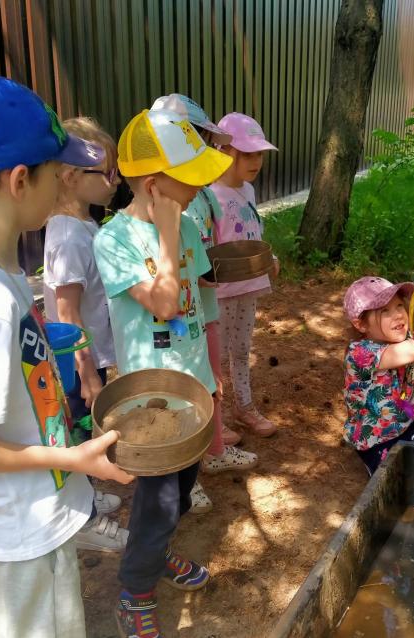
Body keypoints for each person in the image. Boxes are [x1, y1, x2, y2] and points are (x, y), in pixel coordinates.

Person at [0, 72, 132, 638]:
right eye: (55, 171)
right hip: (14, 529)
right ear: (19, 180)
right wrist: (68, 459)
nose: (63, 181)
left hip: (29, 514)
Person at [93, 107, 232, 638]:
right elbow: (166, 304)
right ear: (154, 186)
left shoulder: (189, 226)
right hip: (151, 407)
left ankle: (159, 552)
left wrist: (211, 374)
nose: (198, 189)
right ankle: (135, 593)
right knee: (159, 500)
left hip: (192, 389)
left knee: (183, 489)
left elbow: (199, 299)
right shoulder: (115, 241)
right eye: (188, 180)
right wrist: (169, 236)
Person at [150, 95, 259, 515]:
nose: (206, 147)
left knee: (210, 383)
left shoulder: (200, 195)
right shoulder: (169, 204)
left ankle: (213, 451)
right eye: (198, 138)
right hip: (179, 318)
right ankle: (188, 472)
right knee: (184, 393)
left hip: (204, 308)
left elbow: (208, 248)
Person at [43, 116, 128, 551]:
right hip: (75, 365)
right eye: (107, 173)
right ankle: (82, 520)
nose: (116, 181)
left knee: (84, 429)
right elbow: (67, 310)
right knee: (75, 432)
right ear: (72, 176)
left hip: (90, 357)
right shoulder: (68, 236)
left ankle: (87, 499)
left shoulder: (85, 225)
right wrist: (88, 372)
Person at [210, 112, 280, 437]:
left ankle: (244, 406)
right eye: (247, 154)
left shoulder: (248, 191)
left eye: (259, 154)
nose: (256, 162)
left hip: (249, 284)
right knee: (218, 355)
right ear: (224, 151)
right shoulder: (209, 196)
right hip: (222, 289)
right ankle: (217, 416)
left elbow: (253, 230)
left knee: (241, 349)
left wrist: (269, 257)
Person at [343, 276, 414, 474]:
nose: (398, 315)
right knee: (411, 477)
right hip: (379, 437)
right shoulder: (360, 353)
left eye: (399, 306)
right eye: (385, 311)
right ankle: (374, 462)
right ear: (361, 324)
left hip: (409, 417)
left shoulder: (401, 339)